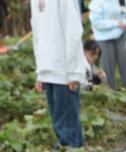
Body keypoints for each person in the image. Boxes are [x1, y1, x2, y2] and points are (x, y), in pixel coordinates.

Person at [28, 0, 85, 142]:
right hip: (47, 69)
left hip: (63, 70)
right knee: (59, 123)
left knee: (68, 126)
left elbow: (73, 31)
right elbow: (37, 35)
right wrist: (40, 73)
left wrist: (74, 72)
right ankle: (71, 150)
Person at [88, 0, 126, 86]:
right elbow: (96, 22)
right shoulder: (96, 3)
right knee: (107, 69)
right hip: (104, 37)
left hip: (122, 33)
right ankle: (110, 92)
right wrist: (116, 23)